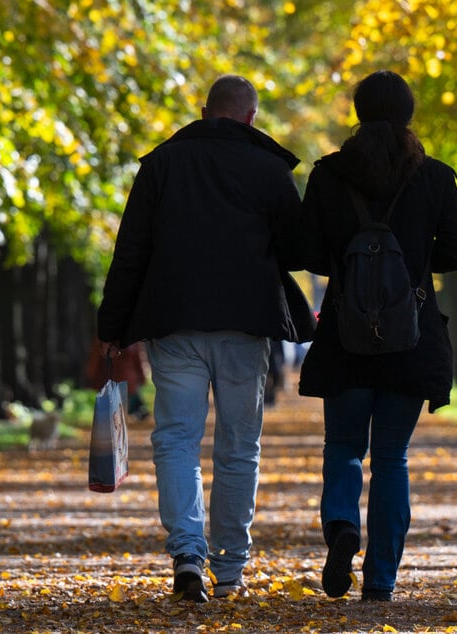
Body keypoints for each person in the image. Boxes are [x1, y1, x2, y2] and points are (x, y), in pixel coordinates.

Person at [97, 74, 314, 602]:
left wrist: (113, 328)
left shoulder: (162, 165)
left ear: (203, 111)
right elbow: (297, 249)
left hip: (174, 321)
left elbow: (132, 252)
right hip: (246, 323)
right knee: (239, 447)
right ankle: (231, 567)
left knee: (175, 439)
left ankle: (187, 554)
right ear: (251, 117)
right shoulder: (269, 167)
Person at [296, 70, 457, 602]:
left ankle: (342, 525)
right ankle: (380, 582)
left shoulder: (329, 175)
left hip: (346, 338)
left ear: (358, 111)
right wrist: (414, 265)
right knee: (391, 457)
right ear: (408, 113)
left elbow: (305, 250)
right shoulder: (436, 177)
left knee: (344, 445)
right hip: (410, 339)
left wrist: (345, 260)